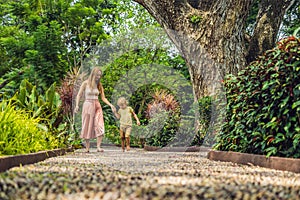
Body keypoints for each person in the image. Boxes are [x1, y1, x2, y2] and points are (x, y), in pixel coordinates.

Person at [74, 67, 116, 153]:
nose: (98, 77)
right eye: (97, 75)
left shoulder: (99, 85)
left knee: (100, 125)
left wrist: (110, 105)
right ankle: (87, 148)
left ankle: (98, 147)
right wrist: (77, 105)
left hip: (97, 105)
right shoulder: (85, 83)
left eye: (100, 75)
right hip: (88, 105)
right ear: (93, 74)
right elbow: (78, 95)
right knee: (87, 125)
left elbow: (103, 98)